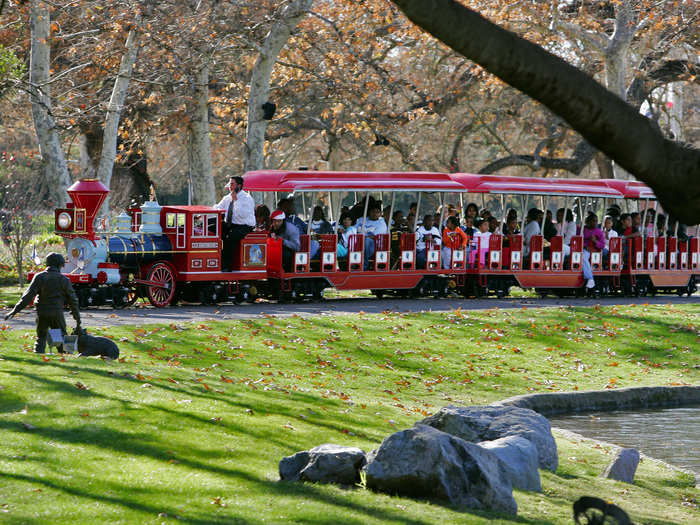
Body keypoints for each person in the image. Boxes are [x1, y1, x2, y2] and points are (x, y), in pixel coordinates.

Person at [4, 252, 81, 354]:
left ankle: (40, 354)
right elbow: (73, 301)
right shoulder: (64, 280)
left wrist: (15, 310)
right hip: (56, 312)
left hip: (42, 312)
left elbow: (27, 296)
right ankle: (65, 355)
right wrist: (77, 318)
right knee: (60, 334)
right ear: (59, 264)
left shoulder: (39, 277)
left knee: (41, 336)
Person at [215, 176, 256, 271]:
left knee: (230, 237)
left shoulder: (247, 198)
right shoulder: (227, 197)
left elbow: (242, 215)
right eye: (229, 184)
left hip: (245, 226)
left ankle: (227, 266)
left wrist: (235, 201)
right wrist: (201, 214)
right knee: (214, 228)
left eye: (232, 184)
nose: (230, 186)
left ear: (239, 185)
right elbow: (218, 208)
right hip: (231, 224)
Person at [356, 205, 388, 269]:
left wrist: (363, 236)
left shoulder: (381, 223)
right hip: (359, 241)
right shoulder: (361, 220)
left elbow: (373, 236)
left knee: (367, 241)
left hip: (375, 245)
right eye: (373, 212)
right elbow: (354, 230)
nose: (375, 214)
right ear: (369, 212)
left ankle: (364, 266)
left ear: (380, 214)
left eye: (377, 212)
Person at [582, 213, 604, 289]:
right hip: (585, 249)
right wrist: (584, 245)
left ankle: (590, 278)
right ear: (588, 222)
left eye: (596, 221)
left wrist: (595, 241)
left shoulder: (599, 231)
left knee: (583, 257)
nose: (595, 223)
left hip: (595, 251)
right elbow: (578, 239)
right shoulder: (582, 229)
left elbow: (602, 245)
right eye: (593, 221)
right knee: (583, 257)